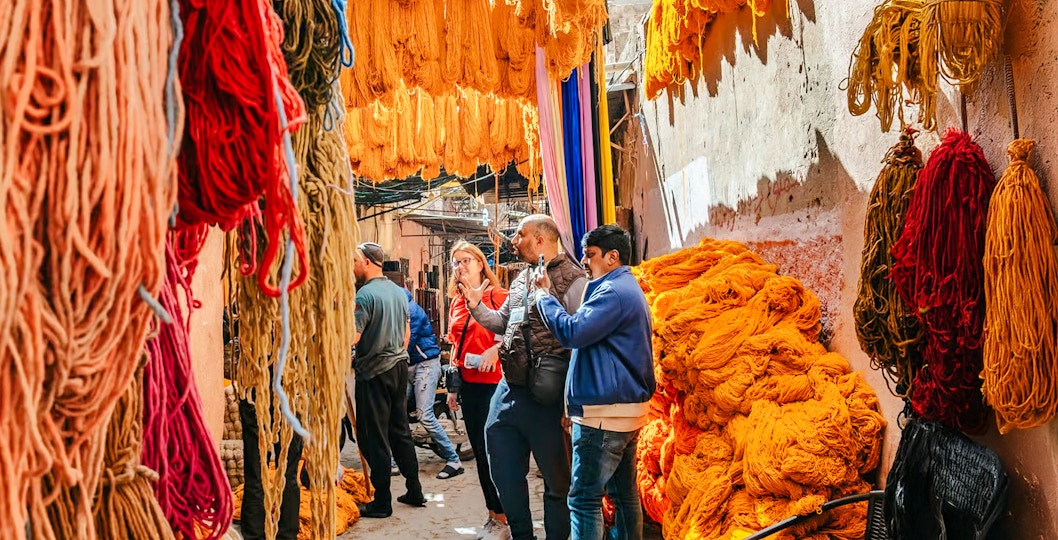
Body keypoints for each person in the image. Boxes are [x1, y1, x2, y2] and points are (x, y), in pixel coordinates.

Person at [460, 215, 588, 540]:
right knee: (502, 471)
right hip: (508, 393)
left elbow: (582, 342)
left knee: (557, 484)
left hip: (548, 398)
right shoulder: (521, 279)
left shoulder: (574, 280)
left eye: (520, 235)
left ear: (541, 240)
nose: (513, 241)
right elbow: (503, 322)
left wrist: (571, 406)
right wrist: (476, 306)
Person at [531, 225, 655, 540]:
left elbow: (572, 332)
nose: (586, 262)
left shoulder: (613, 292)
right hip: (623, 413)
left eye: (591, 255)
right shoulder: (622, 287)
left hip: (605, 416)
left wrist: (544, 297)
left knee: (584, 498)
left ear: (613, 257)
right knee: (623, 494)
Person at [352, 242, 426, 518]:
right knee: (400, 431)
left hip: (374, 372)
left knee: (374, 437)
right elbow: (406, 332)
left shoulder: (364, 295)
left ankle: (381, 502)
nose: (353, 266)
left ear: (368, 262)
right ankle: (414, 489)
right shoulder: (398, 292)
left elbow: (353, 336)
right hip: (398, 367)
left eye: (355, 260)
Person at [445, 240, 511, 539]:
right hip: (469, 386)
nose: (461, 266)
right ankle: (494, 517)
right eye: (456, 262)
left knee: (497, 454)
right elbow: (454, 346)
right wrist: (452, 387)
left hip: (496, 386)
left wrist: (495, 350)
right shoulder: (456, 302)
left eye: (466, 261)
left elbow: (516, 333)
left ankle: (507, 518)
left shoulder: (499, 296)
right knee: (482, 458)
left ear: (481, 263)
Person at [404, 287, 463, 479]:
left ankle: (454, 460)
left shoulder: (410, 311)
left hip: (425, 365)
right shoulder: (399, 308)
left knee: (424, 414)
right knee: (394, 409)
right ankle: (395, 460)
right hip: (409, 366)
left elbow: (406, 343)